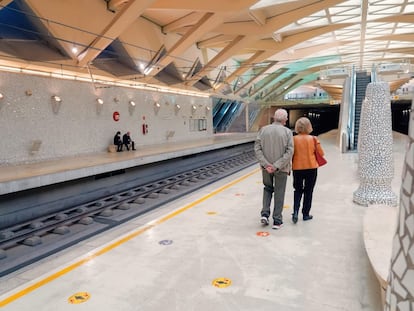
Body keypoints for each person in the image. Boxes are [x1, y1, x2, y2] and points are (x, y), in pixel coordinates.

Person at [254, 108, 294, 230]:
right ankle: (277, 220)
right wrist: (276, 165)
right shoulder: (287, 132)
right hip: (281, 168)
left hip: (266, 169)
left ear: (274, 118)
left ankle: (265, 215)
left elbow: (257, 148)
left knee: (267, 189)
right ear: (285, 120)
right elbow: (290, 151)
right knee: (279, 192)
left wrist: (266, 165)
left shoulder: (263, 130)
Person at [291, 117, 325, 223]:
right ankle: (305, 214)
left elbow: (290, 153)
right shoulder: (314, 139)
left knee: (297, 190)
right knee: (308, 191)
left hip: (297, 168)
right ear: (309, 127)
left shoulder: (293, 139)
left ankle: (295, 211)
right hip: (311, 168)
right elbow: (321, 153)